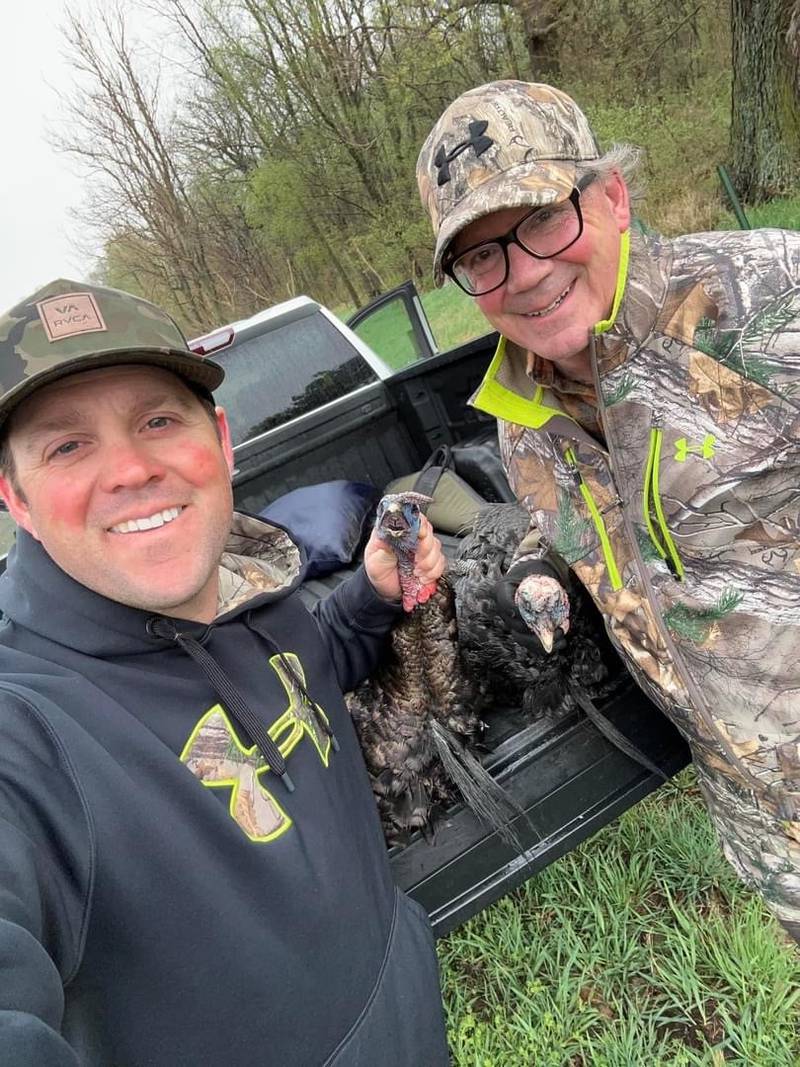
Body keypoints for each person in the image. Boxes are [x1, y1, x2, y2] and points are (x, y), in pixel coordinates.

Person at [0, 279, 451, 1064]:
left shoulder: (259, 598)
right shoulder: (30, 731)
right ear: (17, 500)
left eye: (157, 420)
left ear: (221, 440)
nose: (130, 470)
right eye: (67, 445)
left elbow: (304, 677)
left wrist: (370, 598)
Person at [417, 80, 800, 943]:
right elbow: (610, 527)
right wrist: (532, 563)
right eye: (482, 257)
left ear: (614, 196)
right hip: (767, 835)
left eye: (544, 218)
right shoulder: (524, 421)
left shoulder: (770, 302)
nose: (525, 274)